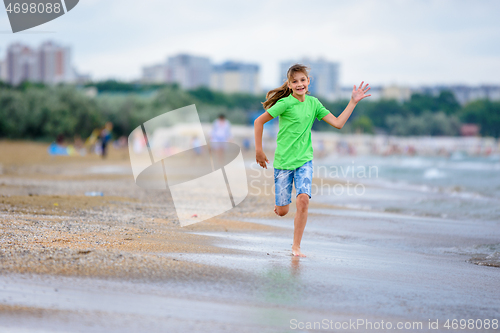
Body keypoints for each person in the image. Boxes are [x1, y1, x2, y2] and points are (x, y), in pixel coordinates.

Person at [254, 64, 371, 257]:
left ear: (308, 82)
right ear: (290, 85)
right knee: (283, 211)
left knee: (303, 200)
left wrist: (353, 101)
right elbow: (259, 121)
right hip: (283, 162)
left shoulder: (314, 104)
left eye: (302, 80)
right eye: (295, 81)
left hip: (304, 161)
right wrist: (259, 151)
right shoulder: (285, 104)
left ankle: (296, 247)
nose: (299, 84)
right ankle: (279, 204)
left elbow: (338, 123)